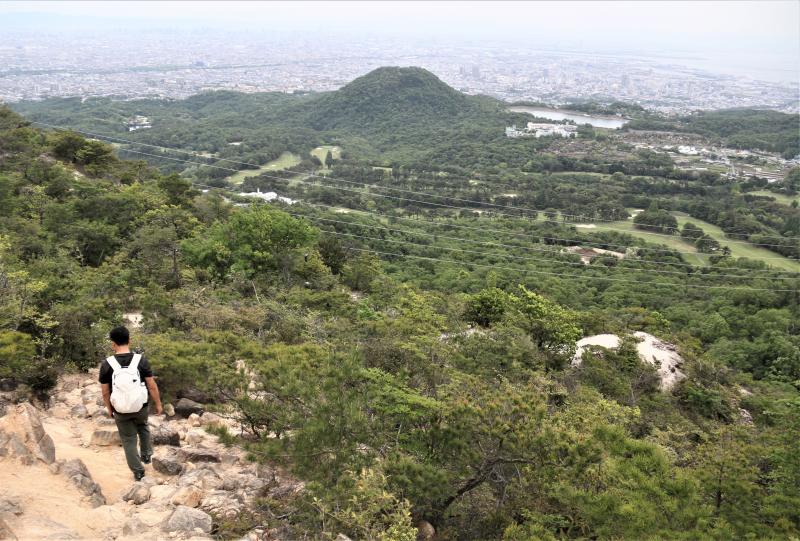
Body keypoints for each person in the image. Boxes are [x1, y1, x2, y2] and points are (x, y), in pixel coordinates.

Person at [99, 326, 163, 481]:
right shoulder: (140, 360)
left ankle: (138, 471)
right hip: (140, 406)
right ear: (129, 340)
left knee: (128, 439)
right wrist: (158, 404)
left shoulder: (107, 364)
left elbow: (105, 392)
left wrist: (110, 409)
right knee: (143, 426)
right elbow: (151, 385)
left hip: (120, 409)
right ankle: (146, 454)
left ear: (113, 344)